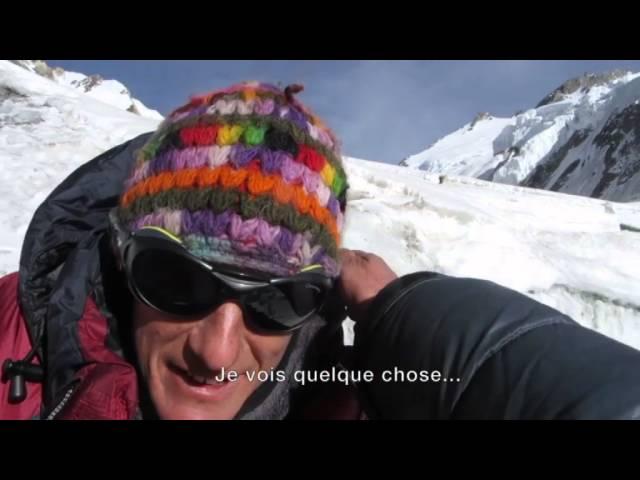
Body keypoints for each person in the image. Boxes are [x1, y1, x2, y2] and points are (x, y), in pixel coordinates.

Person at [1, 81, 640, 420]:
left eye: (278, 299)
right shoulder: (11, 339)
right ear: (122, 258)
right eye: (177, 280)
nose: (216, 352)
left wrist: (411, 312)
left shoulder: (346, 396)